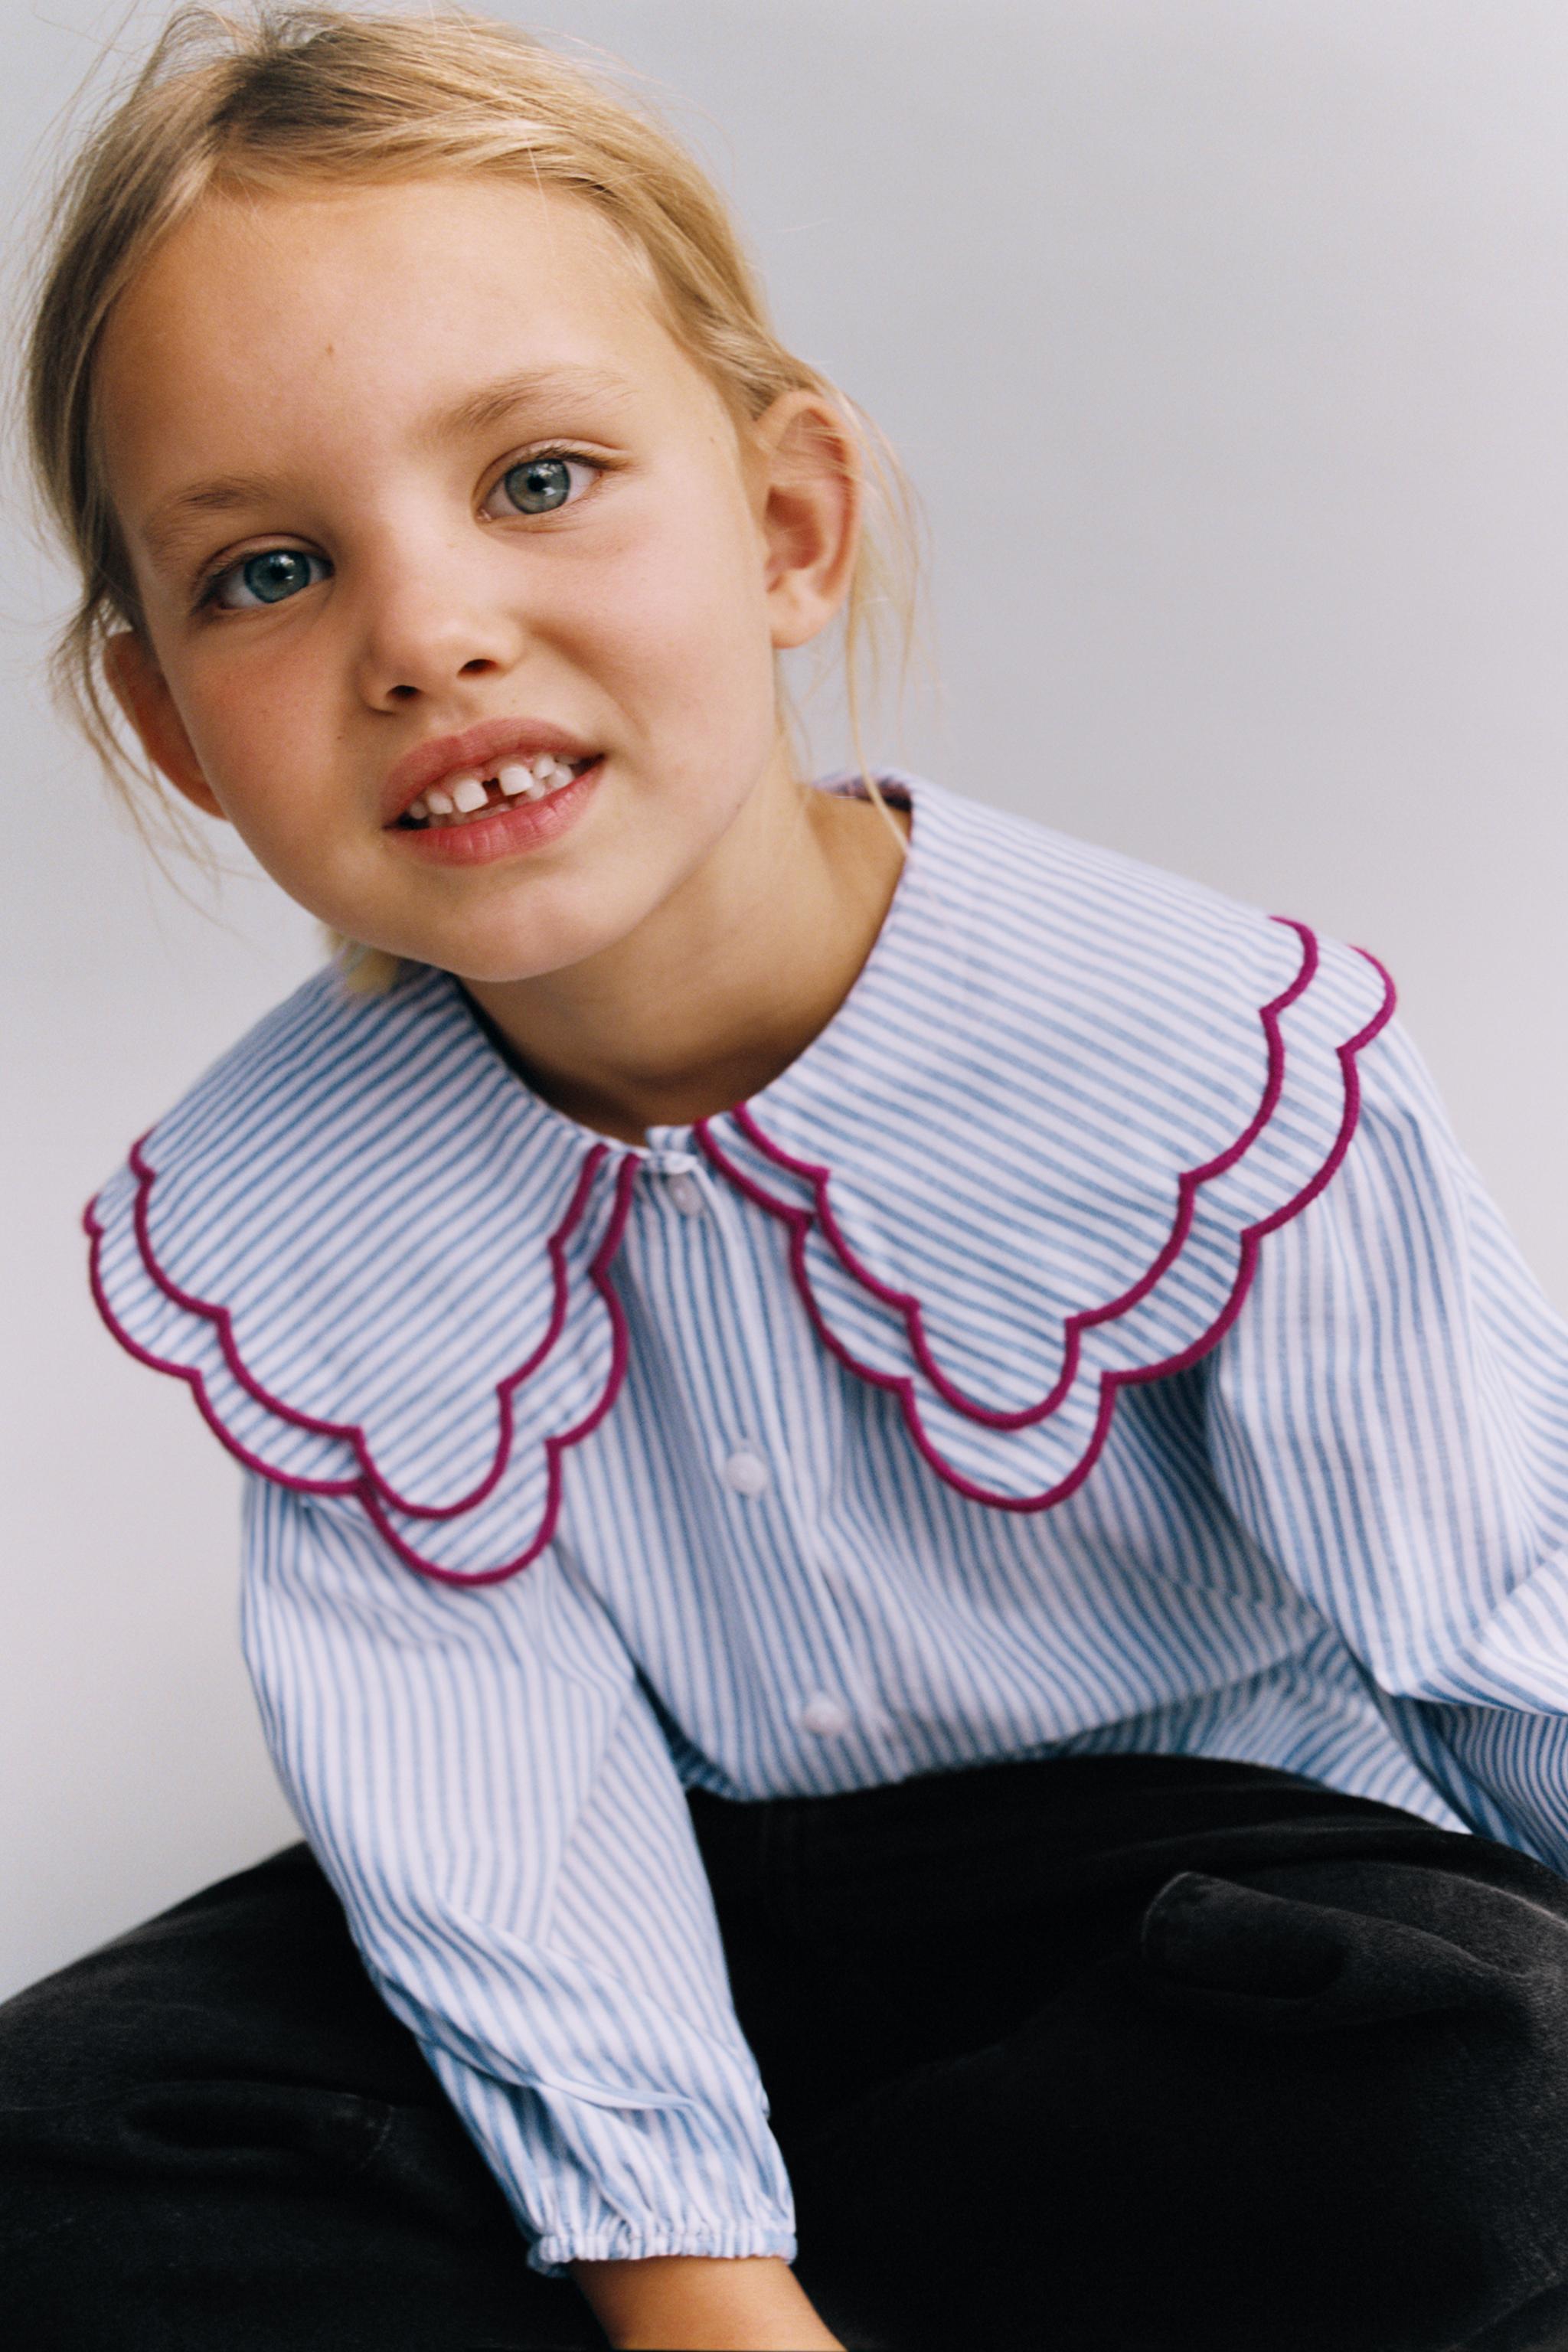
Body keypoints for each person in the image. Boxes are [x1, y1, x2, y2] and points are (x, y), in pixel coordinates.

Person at [7, 5, 1568, 2347]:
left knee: (1496, 2093)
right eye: (268, 572)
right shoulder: (296, 1217)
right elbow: (501, 1805)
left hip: (1178, 1901)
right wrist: (694, 2278)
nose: (426, 633)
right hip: (682, 1890)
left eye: (535, 481)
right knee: (60, 2145)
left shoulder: (1195, 1055)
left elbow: (1503, 1625)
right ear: (169, 728)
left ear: (786, 526)